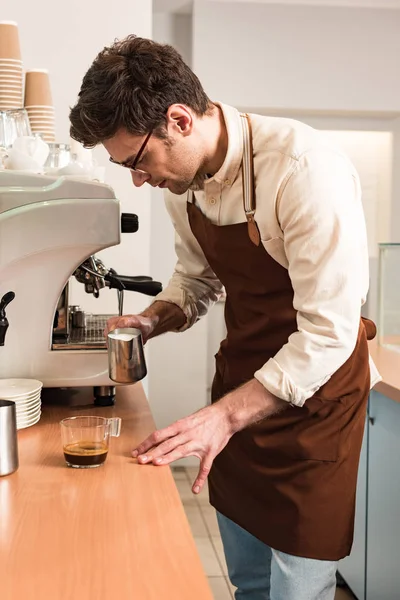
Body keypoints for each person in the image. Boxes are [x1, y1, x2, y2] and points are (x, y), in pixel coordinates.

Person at [70, 35, 380, 600]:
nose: (139, 181)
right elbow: (196, 281)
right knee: (249, 584)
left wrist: (223, 417)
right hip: (240, 389)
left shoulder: (304, 169)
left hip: (314, 409)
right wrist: (151, 320)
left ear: (180, 120)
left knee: (295, 591)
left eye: (138, 162)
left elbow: (330, 331)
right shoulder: (180, 185)